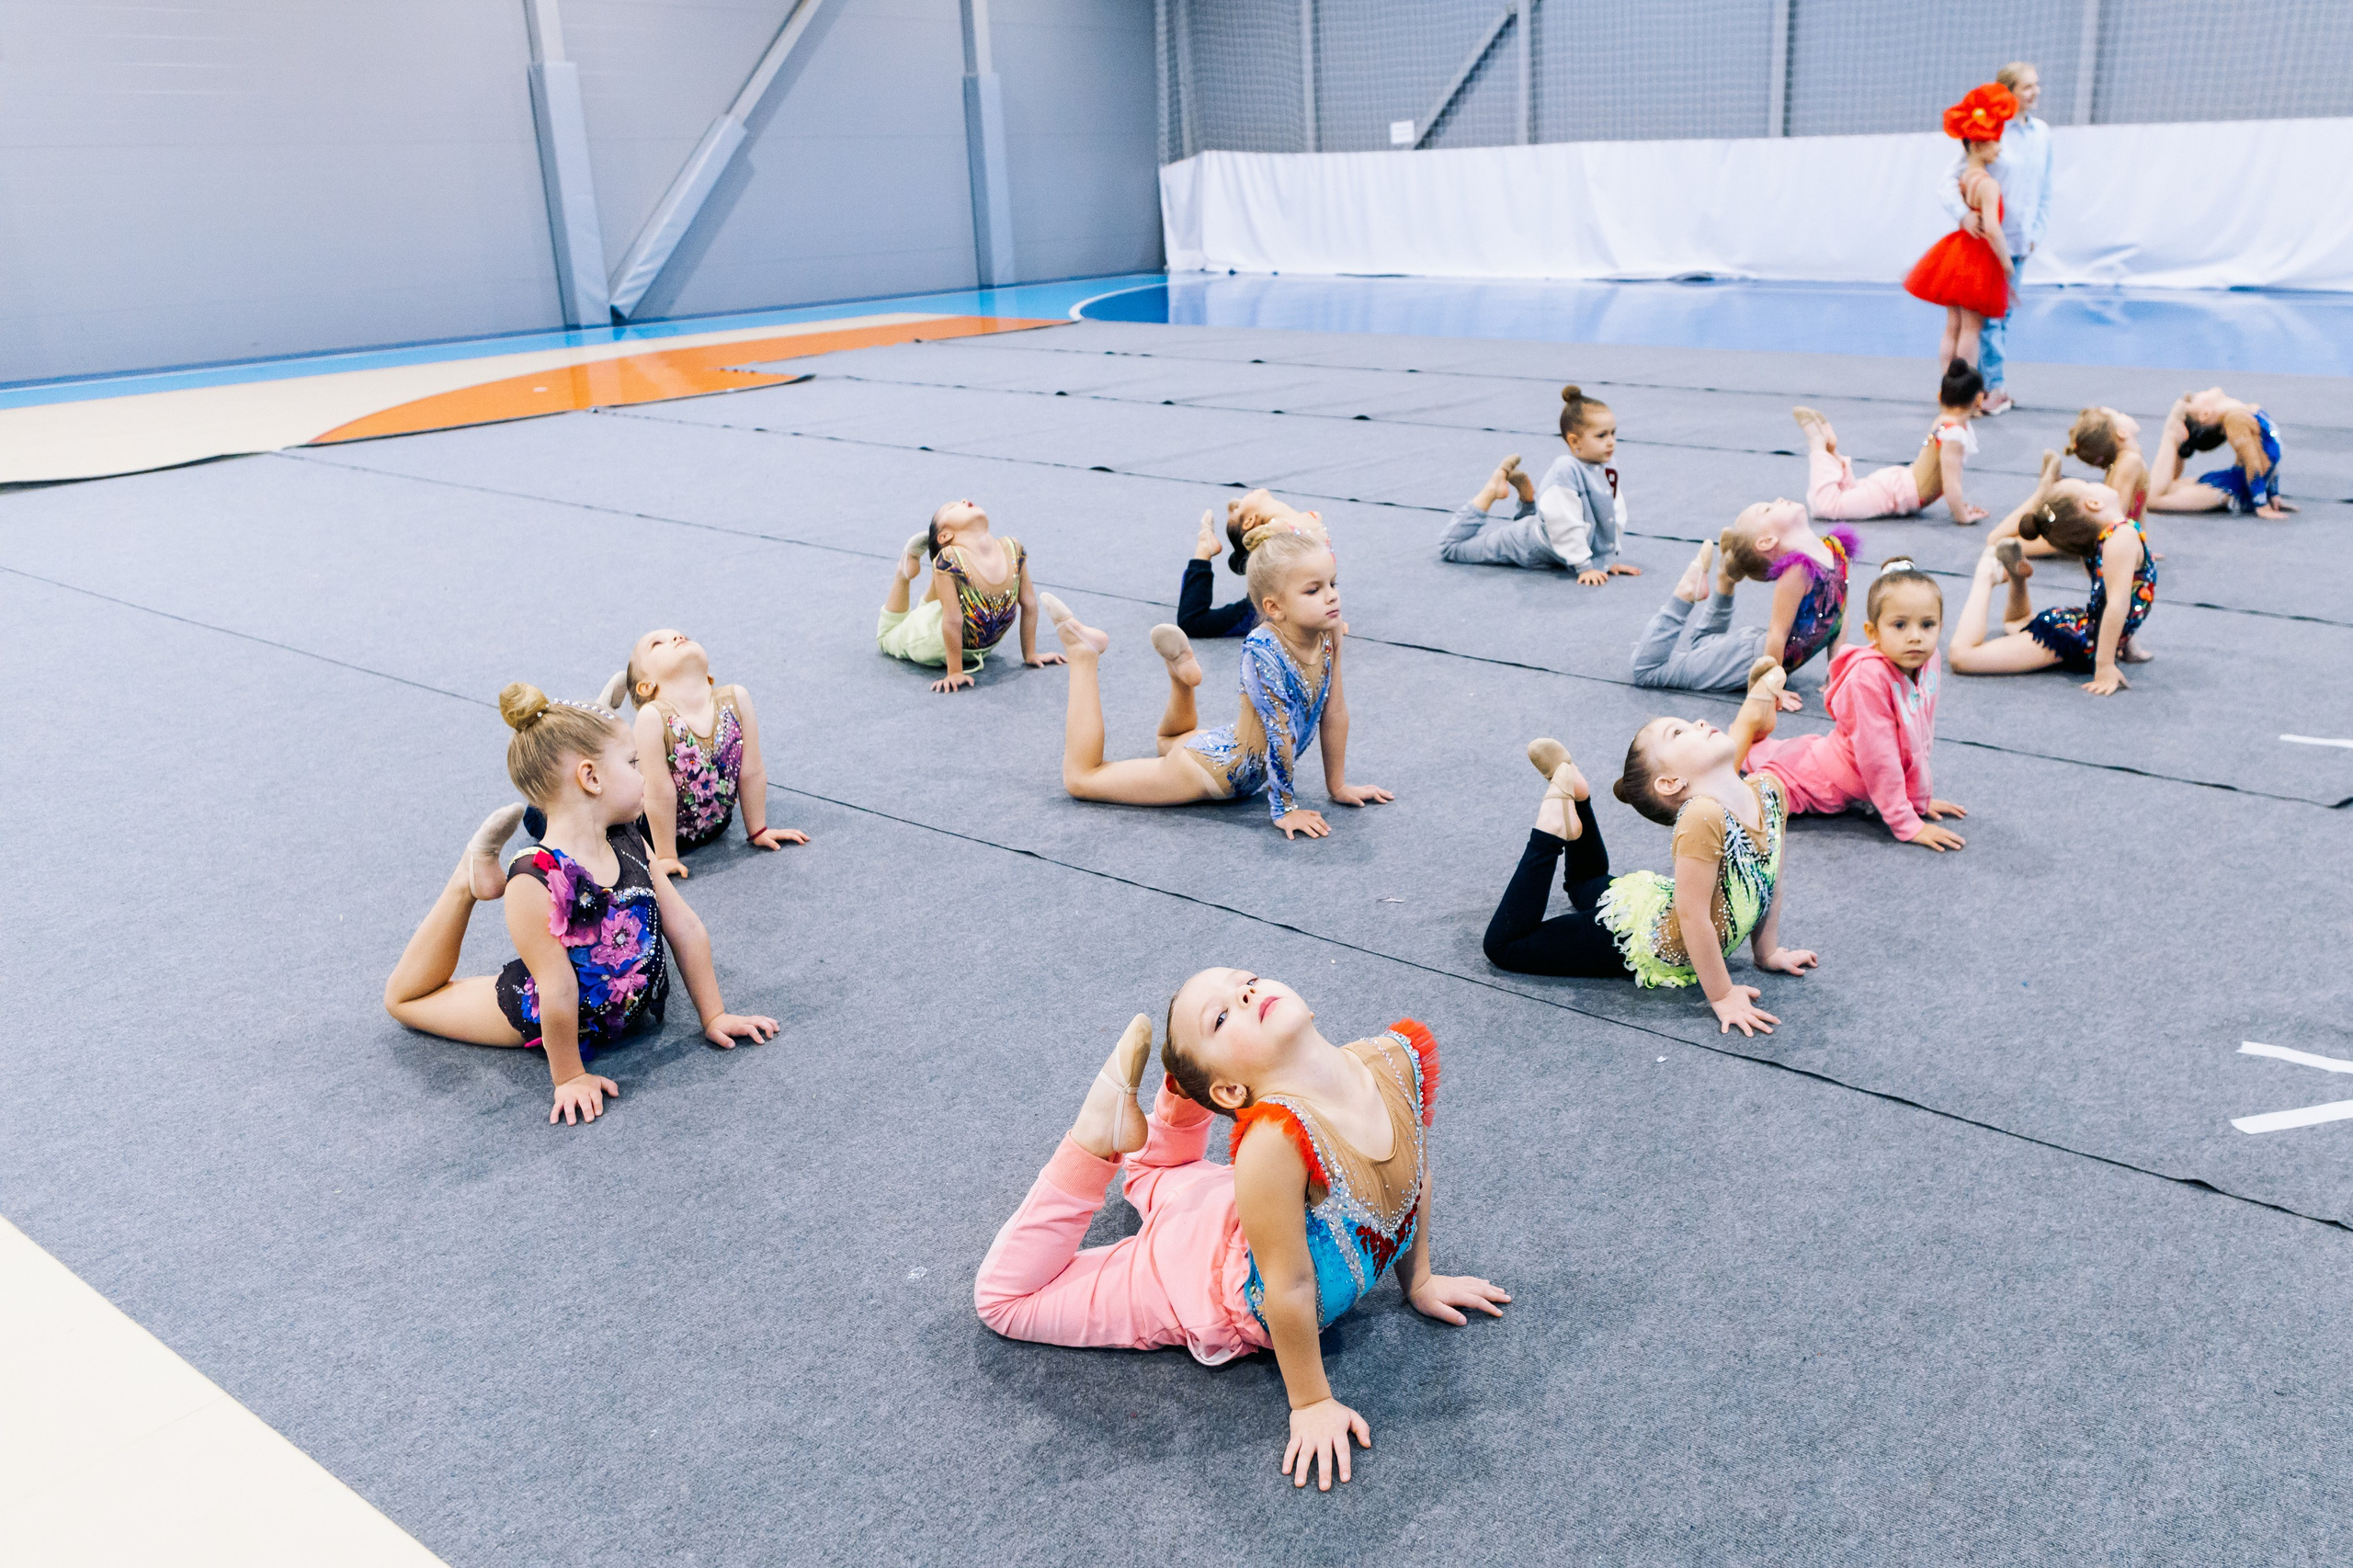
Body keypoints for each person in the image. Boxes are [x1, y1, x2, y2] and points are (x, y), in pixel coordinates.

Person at [973, 988, 1506, 1490]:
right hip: (1196, 1277)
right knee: (1005, 1302)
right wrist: (1311, 1402)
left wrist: (1421, 1279)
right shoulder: (1272, 1143)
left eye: (1246, 982)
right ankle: (1093, 1140)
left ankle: (1177, 1086)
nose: (1246, 993)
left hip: (1239, 1203)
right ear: (1230, 1092)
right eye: (1222, 1016)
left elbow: (1412, 1173)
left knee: (1157, 1176)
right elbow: (1290, 1285)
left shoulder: (1389, 1059)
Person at [381, 686, 779, 1126]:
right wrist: (569, 1076)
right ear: (590, 778)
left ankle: (469, 878)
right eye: (633, 763)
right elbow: (558, 987)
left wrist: (715, 1014)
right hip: (540, 1009)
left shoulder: (630, 840)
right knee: (406, 1001)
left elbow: (684, 927)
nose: (647, 773)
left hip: (616, 1010)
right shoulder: (533, 879)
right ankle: (465, 881)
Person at [1478, 665, 1816, 1035]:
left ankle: (1578, 797)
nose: (1701, 721)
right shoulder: (1703, 815)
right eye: (1680, 731)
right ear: (1671, 782)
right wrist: (1721, 995)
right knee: (1505, 945)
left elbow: (1772, 886)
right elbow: (1692, 917)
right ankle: (1550, 829)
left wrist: (1766, 954)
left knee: (1586, 882)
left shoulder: (1769, 789)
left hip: (1655, 901)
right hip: (1644, 940)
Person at [1043, 520, 1392, 841]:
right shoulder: (1264, 647)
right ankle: (1084, 654)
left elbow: (1334, 710)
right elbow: (1280, 734)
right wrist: (1286, 809)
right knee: (1081, 778)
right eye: (1313, 590)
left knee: (1171, 739)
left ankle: (1182, 680)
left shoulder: (1329, 631)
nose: (1331, 595)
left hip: (1223, 745)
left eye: (1333, 583)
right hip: (1214, 773)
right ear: (1274, 607)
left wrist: (1339, 785)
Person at [1746, 560, 1969, 850]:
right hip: (1821, 782)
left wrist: (1915, 799)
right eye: (1899, 625)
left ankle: (1743, 739)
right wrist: (1906, 821)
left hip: (1844, 767)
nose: (1915, 636)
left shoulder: (1929, 660)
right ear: (1872, 633)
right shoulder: (1868, 678)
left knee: (1761, 751)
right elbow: (1879, 757)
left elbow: (1918, 735)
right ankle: (1729, 738)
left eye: (1927, 624)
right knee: (1743, 802)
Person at [603, 628, 806, 880]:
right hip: (650, 832)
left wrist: (758, 829)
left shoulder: (736, 698)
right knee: (577, 809)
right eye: (658, 643)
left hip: (715, 825)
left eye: (682, 636)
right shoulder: (652, 716)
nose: (677, 638)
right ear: (646, 686)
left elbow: (751, 770)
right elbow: (659, 792)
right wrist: (666, 856)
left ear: (709, 674)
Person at [1949, 453, 2155, 697]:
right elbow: (2116, 603)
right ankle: (1986, 576)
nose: (2095, 483)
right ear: (2093, 504)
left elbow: (2115, 595)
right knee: (1962, 658)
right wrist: (2105, 665)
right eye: (2088, 485)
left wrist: (2127, 643)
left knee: (2016, 623)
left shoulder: (2115, 537)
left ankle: (2017, 579)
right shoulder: (2120, 537)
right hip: (2077, 639)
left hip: (2082, 626)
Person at [1631, 508, 1857, 712]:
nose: (1779, 500)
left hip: (1751, 651)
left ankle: (1725, 583)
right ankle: (1685, 593)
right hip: (1746, 662)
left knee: (1706, 643)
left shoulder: (1834, 551)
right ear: (1767, 541)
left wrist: (1834, 675)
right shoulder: (1797, 573)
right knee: (1647, 670)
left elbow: (1838, 616)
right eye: (1769, 508)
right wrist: (1770, 688)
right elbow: (1778, 633)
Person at [1438, 387, 1643, 586]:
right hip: (1528, 543)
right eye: (1601, 435)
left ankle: (1527, 502)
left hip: (1550, 544)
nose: (1611, 442)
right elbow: (1564, 525)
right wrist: (1584, 566)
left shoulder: (1607, 465)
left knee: (1541, 519)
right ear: (1574, 441)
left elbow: (1611, 516)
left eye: (1613, 433)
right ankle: (1492, 489)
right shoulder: (1565, 469)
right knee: (1452, 548)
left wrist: (1605, 560)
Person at [1939, 62, 2052, 415]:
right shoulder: (1990, 132)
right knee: (1987, 321)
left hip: (2018, 240)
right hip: (1990, 241)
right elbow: (1950, 179)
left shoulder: (2042, 133)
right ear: (2009, 92)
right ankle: (1988, 388)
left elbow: (2044, 187)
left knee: (1996, 319)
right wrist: (1964, 213)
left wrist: (2036, 232)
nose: (2034, 93)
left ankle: (1976, 388)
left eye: (2036, 85)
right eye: (2026, 87)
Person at [878, 500, 1063, 692]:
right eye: (952, 507)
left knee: (934, 603)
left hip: (981, 646)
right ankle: (903, 574)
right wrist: (955, 672)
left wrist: (1031, 654)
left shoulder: (1013, 548)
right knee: (887, 636)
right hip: (937, 640)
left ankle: (930, 580)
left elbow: (1029, 603)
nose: (964, 501)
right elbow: (952, 620)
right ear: (945, 535)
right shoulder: (947, 559)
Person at [1904, 84, 2018, 369]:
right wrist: (2006, 262)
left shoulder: (1965, 179)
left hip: (1958, 254)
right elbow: (1991, 228)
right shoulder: (1989, 185)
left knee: (1952, 327)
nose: (2000, 148)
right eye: (1996, 142)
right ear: (1980, 145)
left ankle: (1948, 385)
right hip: (1978, 259)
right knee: (1970, 329)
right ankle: (1966, 393)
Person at [1795, 362, 1987, 525]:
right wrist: (1962, 515)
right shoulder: (1954, 435)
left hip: (1898, 484)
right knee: (1829, 507)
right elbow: (1951, 483)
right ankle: (1818, 445)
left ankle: (1833, 454)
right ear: (1978, 398)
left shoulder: (1944, 420)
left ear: (1940, 397)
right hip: (1896, 494)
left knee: (1848, 492)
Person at [1175, 490, 1329, 640]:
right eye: (1238, 509)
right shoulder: (1278, 530)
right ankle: (1203, 550)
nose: (1236, 503)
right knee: (1192, 621)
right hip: (1262, 609)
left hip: (1286, 600)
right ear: (1249, 521)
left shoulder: (1309, 519)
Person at [2147, 388, 2294, 518]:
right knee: (2153, 496)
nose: (2199, 392)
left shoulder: (2246, 412)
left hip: (2237, 486)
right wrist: (2263, 503)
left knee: (2158, 493)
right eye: (2194, 399)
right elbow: (2253, 461)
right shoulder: (2235, 419)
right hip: (2234, 487)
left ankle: (2174, 436)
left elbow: (2267, 457)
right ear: (2205, 414)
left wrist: (2271, 496)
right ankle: (2172, 435)